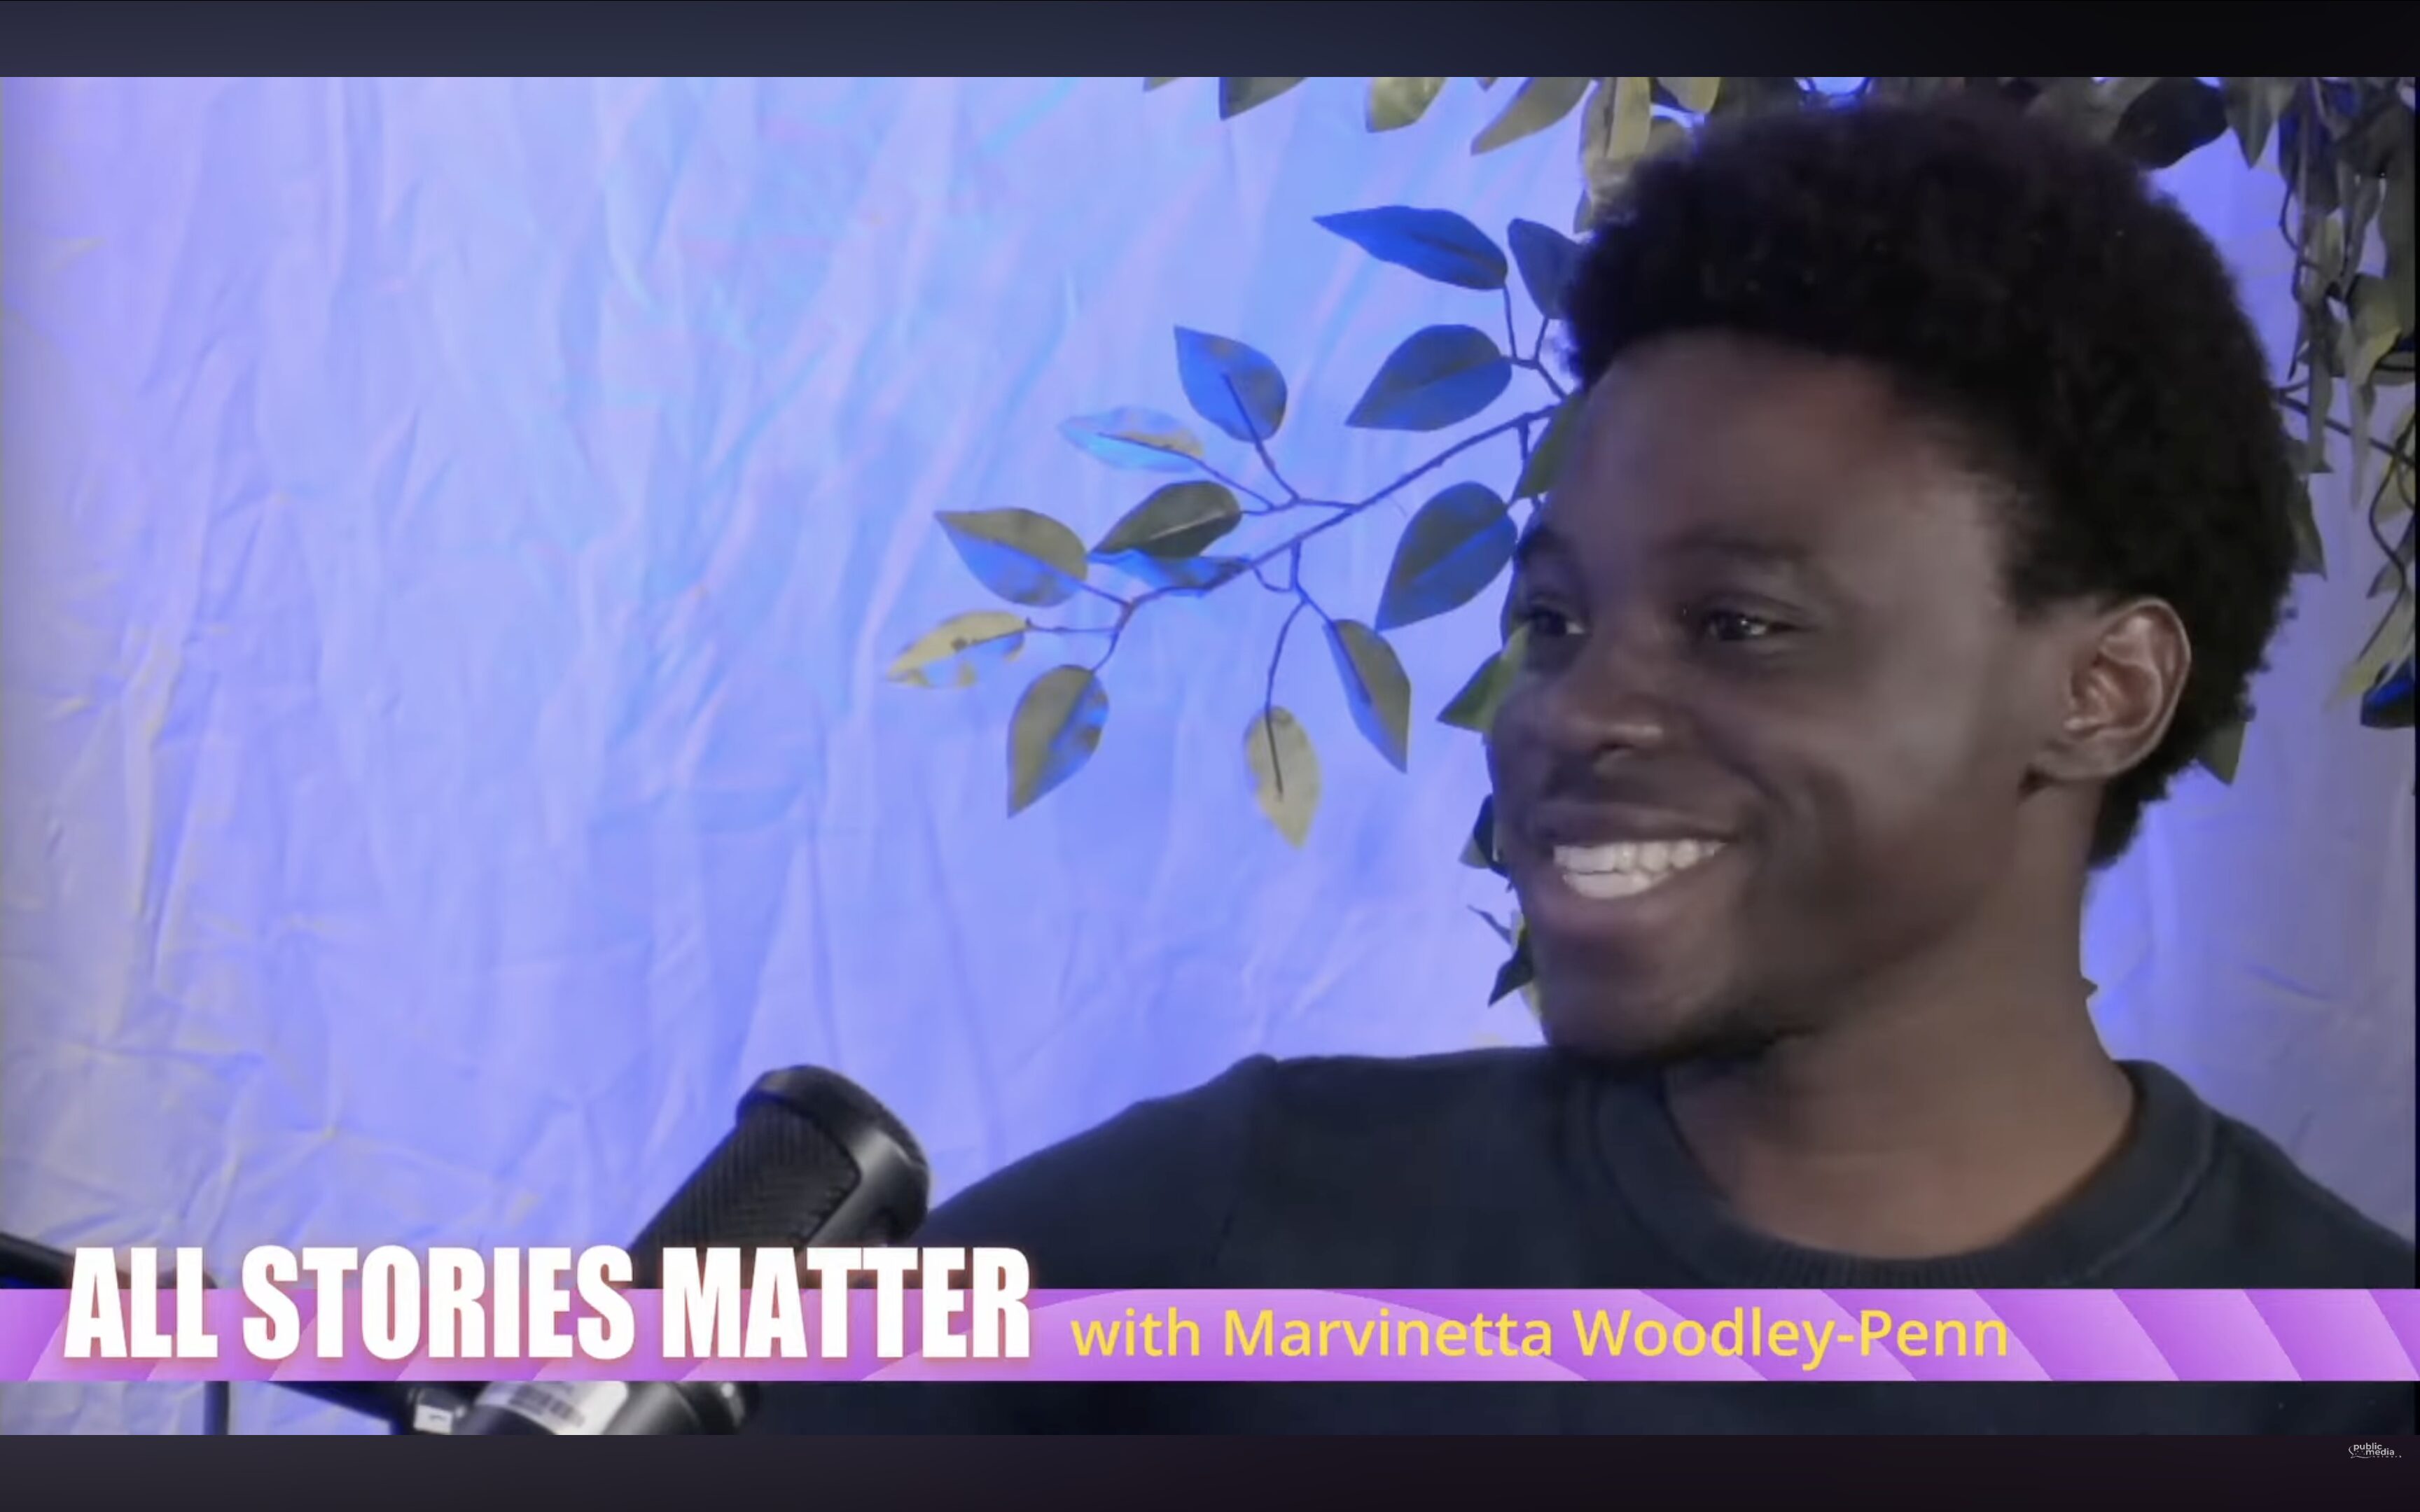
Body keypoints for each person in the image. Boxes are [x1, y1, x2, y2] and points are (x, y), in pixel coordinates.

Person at [753, 95, 2415, 1435]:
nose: (1566, 716)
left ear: (2106, 689)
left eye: (1741, 625)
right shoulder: (1247, 1227)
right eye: (1555, 619)